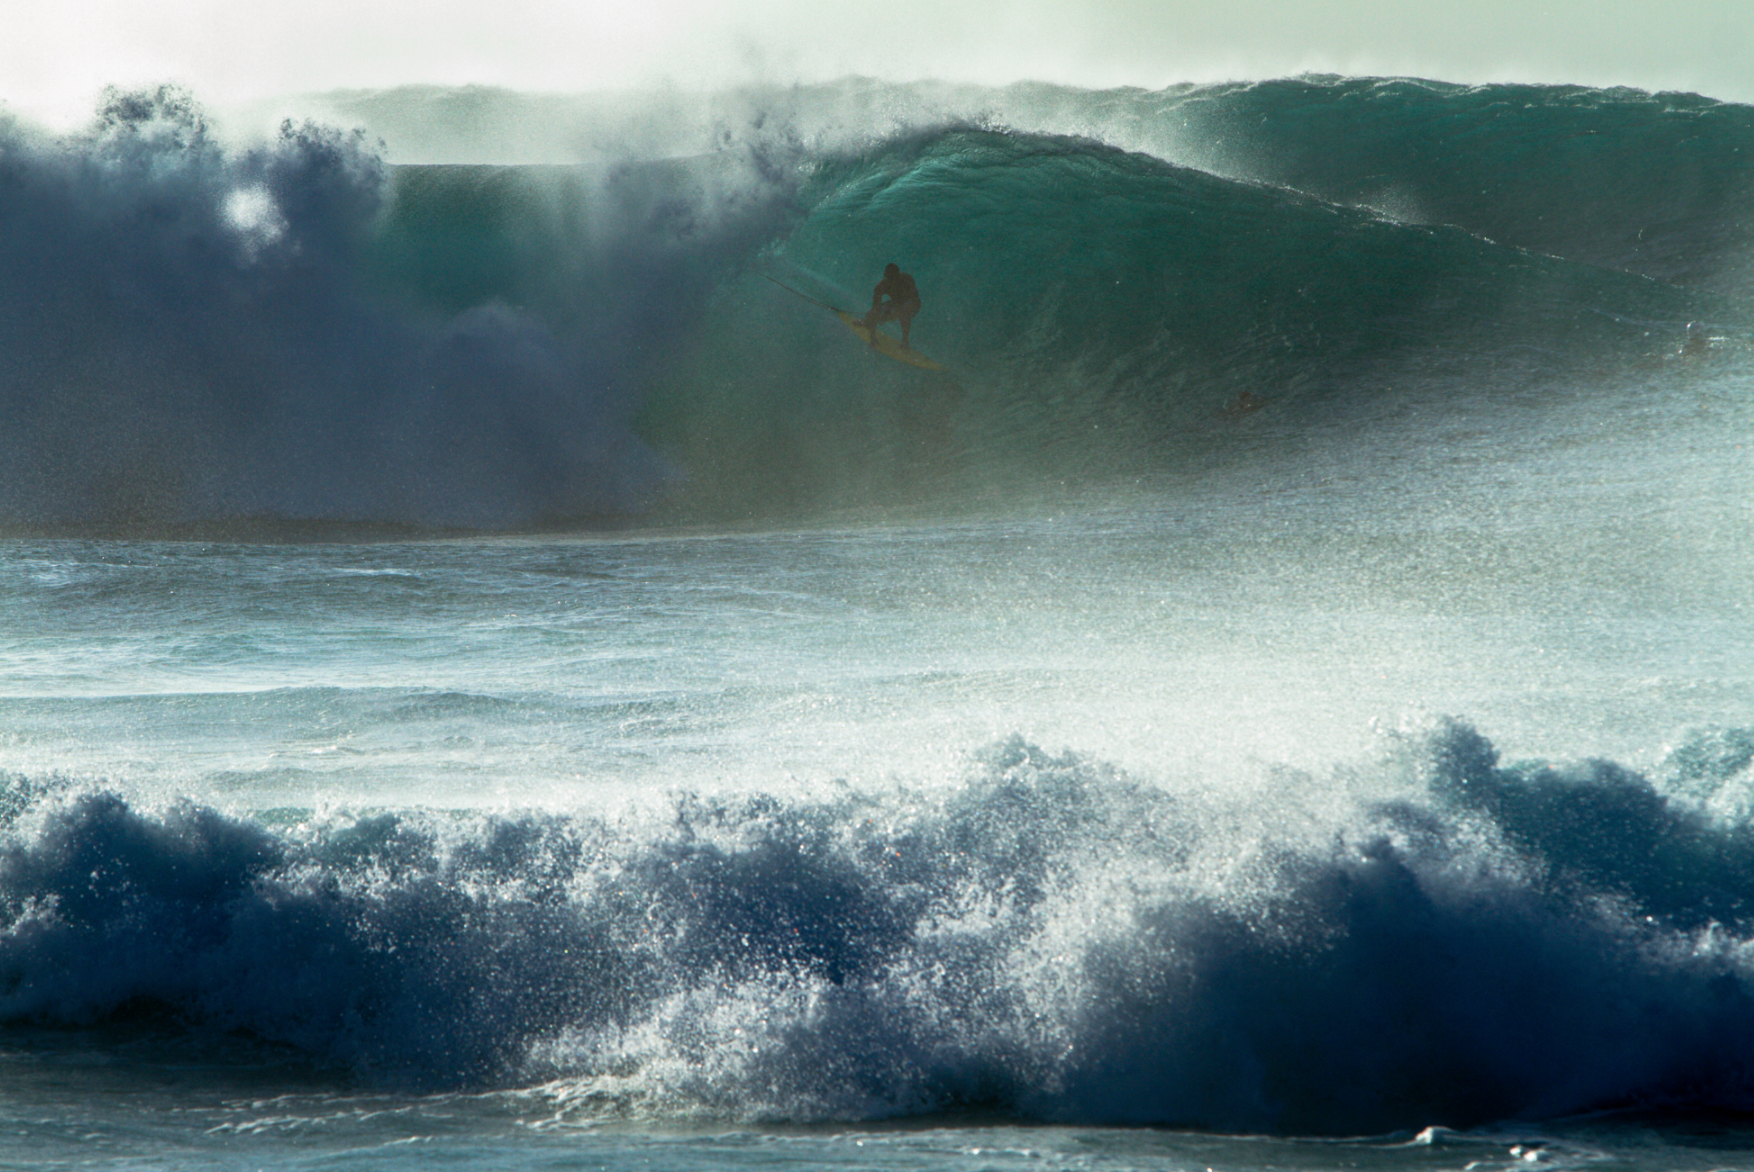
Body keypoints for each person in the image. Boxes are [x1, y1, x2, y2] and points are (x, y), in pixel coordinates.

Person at [864, 262, 921, 350]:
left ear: (899, 274)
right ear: (885, 276)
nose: (894, 280)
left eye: (896, 277)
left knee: (903, 312)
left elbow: (915, 299)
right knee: (871, 314)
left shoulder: (907, 279)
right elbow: (876, 309)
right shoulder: (881, 287)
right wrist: (872, 336)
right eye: (890, 278)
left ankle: (905, 341)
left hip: (911, 304)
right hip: (896, 303)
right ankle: (868, 324)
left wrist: (900, 310)